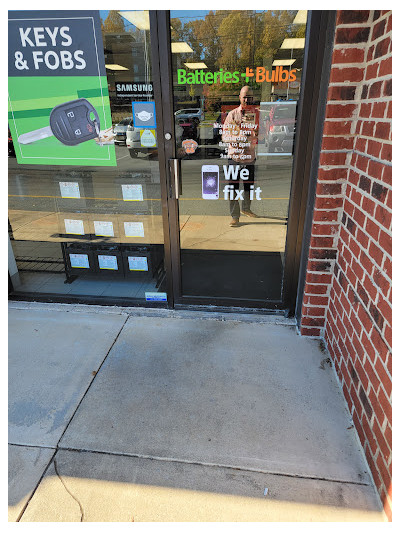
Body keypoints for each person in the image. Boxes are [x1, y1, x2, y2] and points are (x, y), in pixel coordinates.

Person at [222, 86, 259, 227]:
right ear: (240, 97)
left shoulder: (257, 114)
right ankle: (235, 216)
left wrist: (257, 133)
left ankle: (246, 209)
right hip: (235, 157)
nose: (247, 100)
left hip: (249, 157)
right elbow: (225, 137)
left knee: (249, 186)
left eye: (250, 97)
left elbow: (263, 135)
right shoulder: (232, 115)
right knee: (233, 187)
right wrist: (240, 137)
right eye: (245, 97)